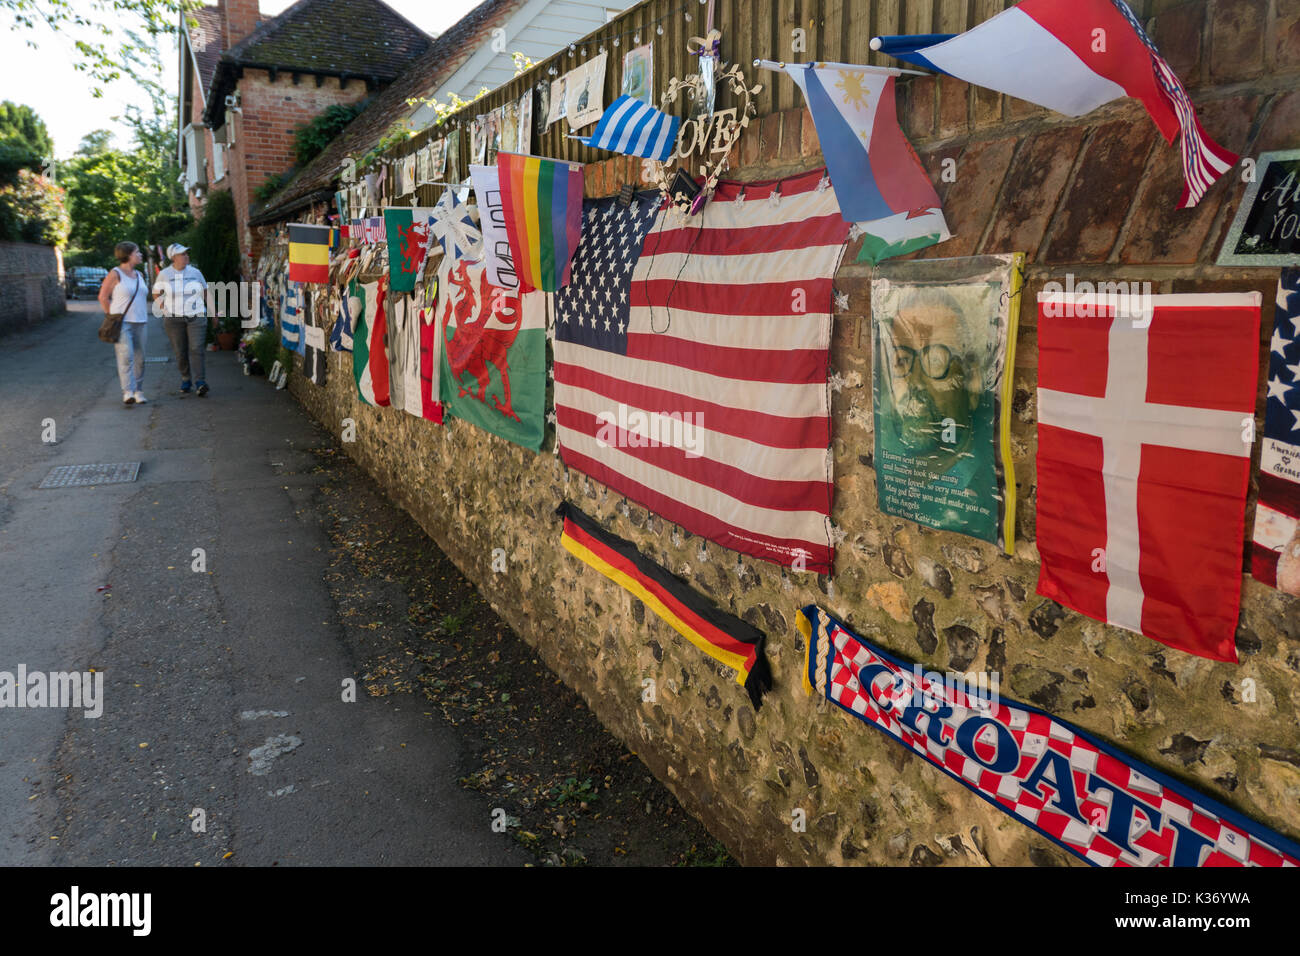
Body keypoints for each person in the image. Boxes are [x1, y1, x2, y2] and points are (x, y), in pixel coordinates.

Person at [153, 243, 211, 395]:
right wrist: (164, 309)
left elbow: (206, 292)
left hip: (196, 315)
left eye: (187, 253)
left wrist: (213, 312)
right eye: (182, 254)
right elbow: (156, 293)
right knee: (180, 351)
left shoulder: (195, 272)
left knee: (197, 348)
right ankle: (186, 378)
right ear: (173, 257)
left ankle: (200, 381)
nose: (186, 256)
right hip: (173, 319)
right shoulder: (165, 274)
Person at [97, 241, 150, 405]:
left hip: (141, 322)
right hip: (123, 323)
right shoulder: (115, 273)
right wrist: (111, 317)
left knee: (140, 359)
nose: (140, 255)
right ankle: (128, 392)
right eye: (137, 252)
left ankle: (139, 390)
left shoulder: (140, 275)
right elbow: (103, 296)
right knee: (126, 357)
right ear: (128, 255)